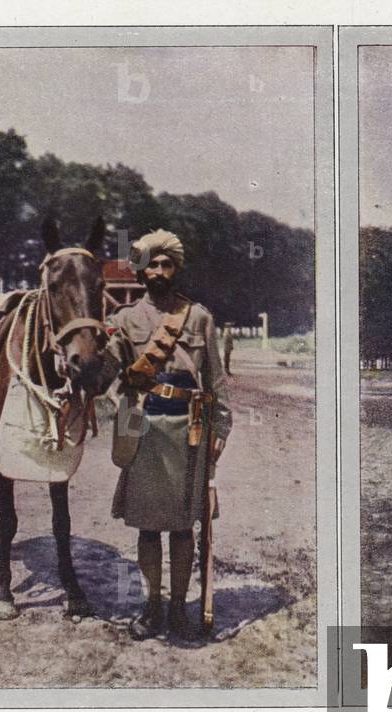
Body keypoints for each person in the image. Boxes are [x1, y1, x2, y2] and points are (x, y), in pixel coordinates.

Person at [102, 229, 232, 640]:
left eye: (166, 264)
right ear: (141, 271)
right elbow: (107, 377)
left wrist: (221, 428)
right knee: (146, 527)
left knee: (183, 527)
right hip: (145, 431)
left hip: (189, 432)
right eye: (152, 264)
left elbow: (216, 378)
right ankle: (151, 606)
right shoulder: (123, 321)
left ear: (176, 268)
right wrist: (120, 411)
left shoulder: (199, 317)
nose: (159, 271)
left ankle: (178, 609)